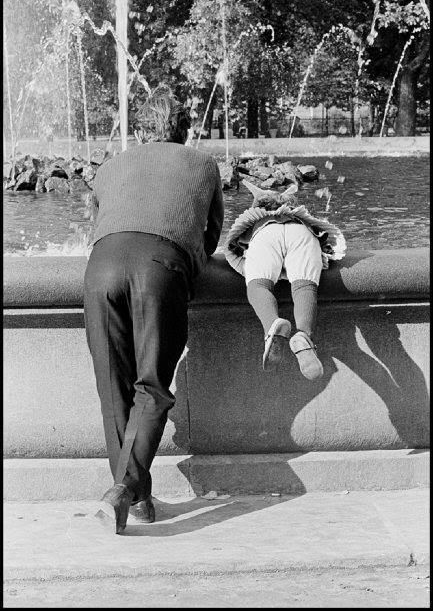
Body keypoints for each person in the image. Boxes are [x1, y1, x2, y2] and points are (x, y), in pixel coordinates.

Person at [84, 89, 224, 533]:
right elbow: (210, 235)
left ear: (142, 129)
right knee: (152, 388)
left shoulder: (110, 167)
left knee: (113, 389)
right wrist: (187, 271)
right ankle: (124, 491)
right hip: (160, 269)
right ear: (184, 129)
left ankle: (135, 499)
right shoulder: (202, 164)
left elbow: (98, 222)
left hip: (100, 269)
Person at [223, 179, 346, 378]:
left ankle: (273, 325)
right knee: (304, 287)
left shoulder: (257, 221)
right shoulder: (299, 218)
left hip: (266, 234)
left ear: (258, 207)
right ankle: (303, 336)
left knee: (259, 285)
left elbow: (240, 244)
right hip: (302, 234)